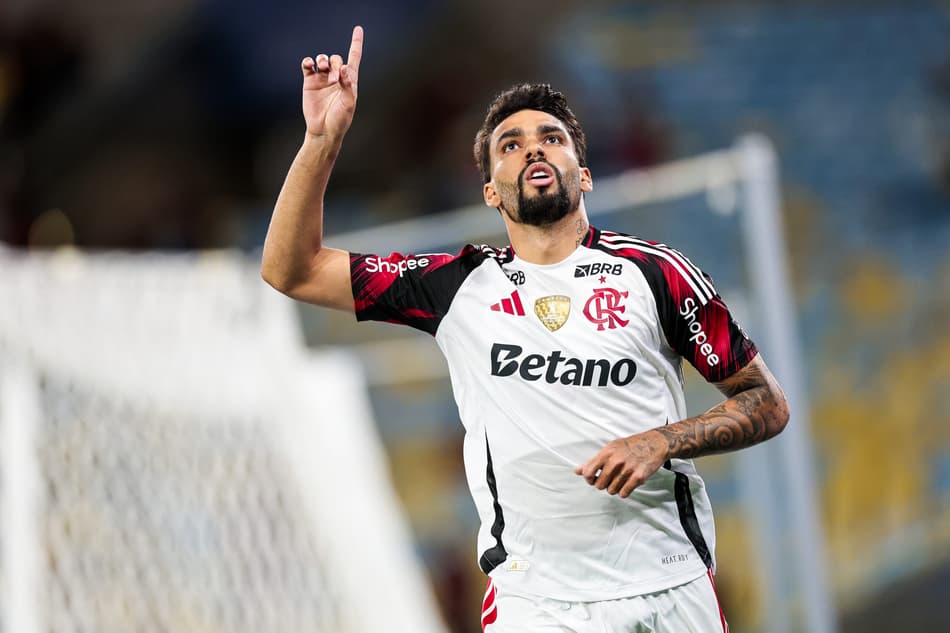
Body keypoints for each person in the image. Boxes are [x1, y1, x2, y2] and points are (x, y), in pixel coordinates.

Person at [262, 26, 789, 633]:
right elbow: (290, 269)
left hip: (668, 585)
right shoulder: (456, 284)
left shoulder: (658, 274)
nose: (533, 150)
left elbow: (767, 403)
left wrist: (661, 441)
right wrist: (322, 140)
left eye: (552, 138)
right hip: (534, 603)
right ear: (490, 191)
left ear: (584, 174)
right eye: (510, 145)